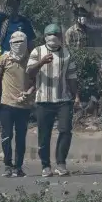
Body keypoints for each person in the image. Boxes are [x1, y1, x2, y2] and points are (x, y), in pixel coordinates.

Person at [27, 23, 80, 177]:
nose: (54, 37)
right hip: (43, 100)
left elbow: (71, 77)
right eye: (51, 35)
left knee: (65, 131)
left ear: (61, 37)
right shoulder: (37, 52)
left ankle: (61, 163)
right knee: (44, 134)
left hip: (63, 99)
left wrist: (76, 95)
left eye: (57, 34)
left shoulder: (66, 54)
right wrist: (41, 62)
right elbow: (30, 72)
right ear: (44, 37)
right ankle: (45, 165)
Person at [0, 29, 34, 177]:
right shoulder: (4, 58)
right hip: (6, 104)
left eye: (21, 42)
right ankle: (7, 164)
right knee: (7, 135)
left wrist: (29, 92)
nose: (18, 45)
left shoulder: (31, 60)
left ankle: (18, 166)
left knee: (21, 137)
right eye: (15, 42)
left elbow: (35, 81)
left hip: (24, 105)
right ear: (10, 43)